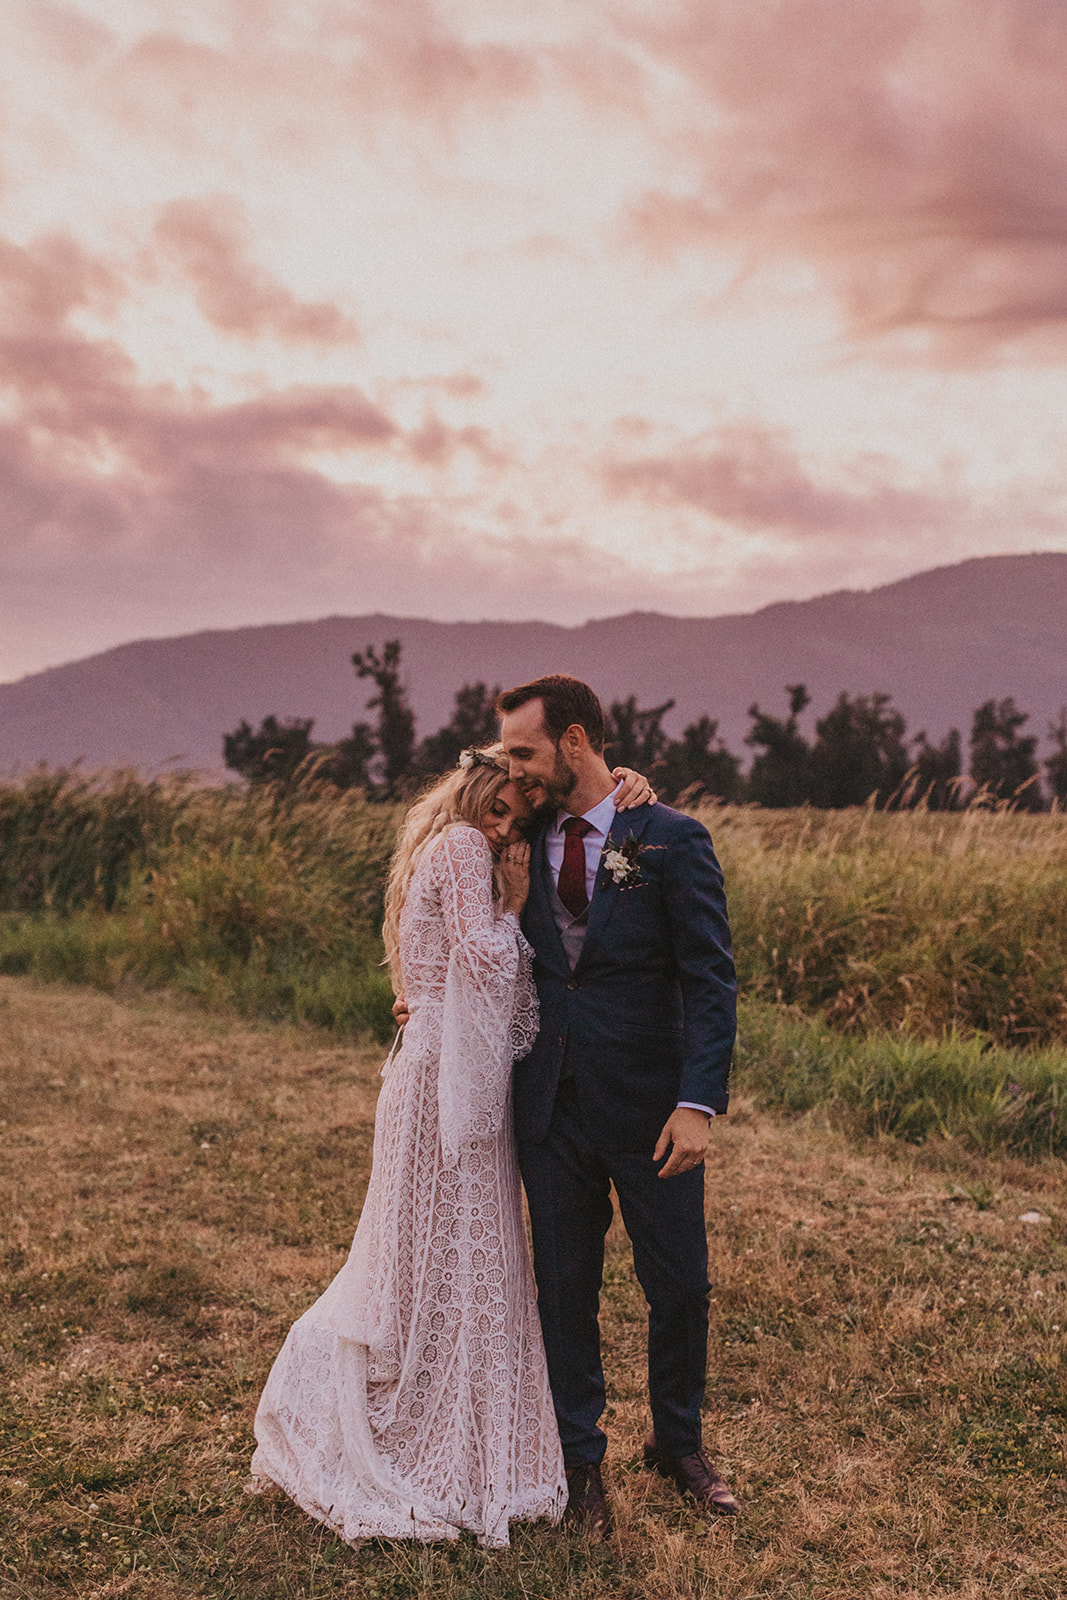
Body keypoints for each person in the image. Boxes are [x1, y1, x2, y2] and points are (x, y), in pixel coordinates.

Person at [251, 746, 653, 1549]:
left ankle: (429, 1392)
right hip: (450, 1077)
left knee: (424, 1249)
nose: (503, 829)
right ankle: (432, 1429)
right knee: (456, 1247)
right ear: (471, 794)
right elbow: (485, 959)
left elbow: (437, 966)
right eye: (496, 809)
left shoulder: (433, 846)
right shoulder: (467, 847)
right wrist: (515, 906)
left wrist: (627, 784)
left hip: (431, 1064)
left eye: (517, 820)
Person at [497, 673, 739, 1532]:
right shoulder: (511, 833)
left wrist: (697, 1102)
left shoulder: (669, 838)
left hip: (650, 1109)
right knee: (564, 1291)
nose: (513, 769)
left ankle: (677, 1443)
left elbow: (709, 980)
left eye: (524, 751)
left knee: (679, 1286)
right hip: (549, 1104)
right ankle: (578, 1463)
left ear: (574, 741)